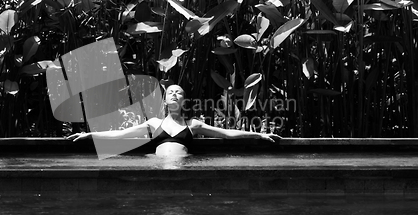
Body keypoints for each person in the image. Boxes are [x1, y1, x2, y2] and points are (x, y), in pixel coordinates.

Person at [66, 85, 281, 156]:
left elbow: (227, 133)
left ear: (184, 99)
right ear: (166, 99)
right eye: (171, 92)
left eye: (179, 92)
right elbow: (120, 134)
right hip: (157, 166)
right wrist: (90, 134)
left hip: (184, 167)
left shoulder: (193, 125)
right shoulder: (153, 123)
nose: (175, 95)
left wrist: (259, 134)